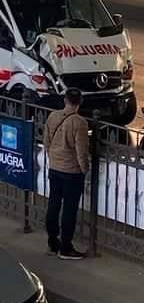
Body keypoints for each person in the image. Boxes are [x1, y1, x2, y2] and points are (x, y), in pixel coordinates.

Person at [43, 87, 90, 260]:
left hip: (54, 168)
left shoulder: (52, 116)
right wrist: (84, 169)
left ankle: (52, 243)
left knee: (53, 205)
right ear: (80, 103)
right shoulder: (80, 123)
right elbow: (81, 152)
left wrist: (54, 158)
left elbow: (46, 142)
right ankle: (66, 247)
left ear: (65, 100)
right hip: (72, 172)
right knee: (69, 210)